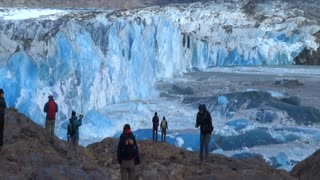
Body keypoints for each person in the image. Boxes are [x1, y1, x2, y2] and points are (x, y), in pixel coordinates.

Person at [0, 89, 7, 153]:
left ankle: (1, 144)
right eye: (2, 93)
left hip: (2, 117)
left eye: (3, 93)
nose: (3, 94)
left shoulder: (2, 99)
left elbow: (5, 106)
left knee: (1, 131)